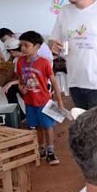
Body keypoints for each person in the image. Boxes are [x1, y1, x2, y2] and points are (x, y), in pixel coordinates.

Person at [16, 31, 63, 165]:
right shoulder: (20, 62)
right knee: (36, 127)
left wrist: (59, 101)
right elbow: (20, 79)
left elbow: (54, 81)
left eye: (26, 45)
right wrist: (20, 87)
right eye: (21, 45)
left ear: (37, 47)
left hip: (44, 102)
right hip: (29, 102)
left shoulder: (44, 62)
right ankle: (41, 149)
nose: (22, 48)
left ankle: (51, 152)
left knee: (48, 126)